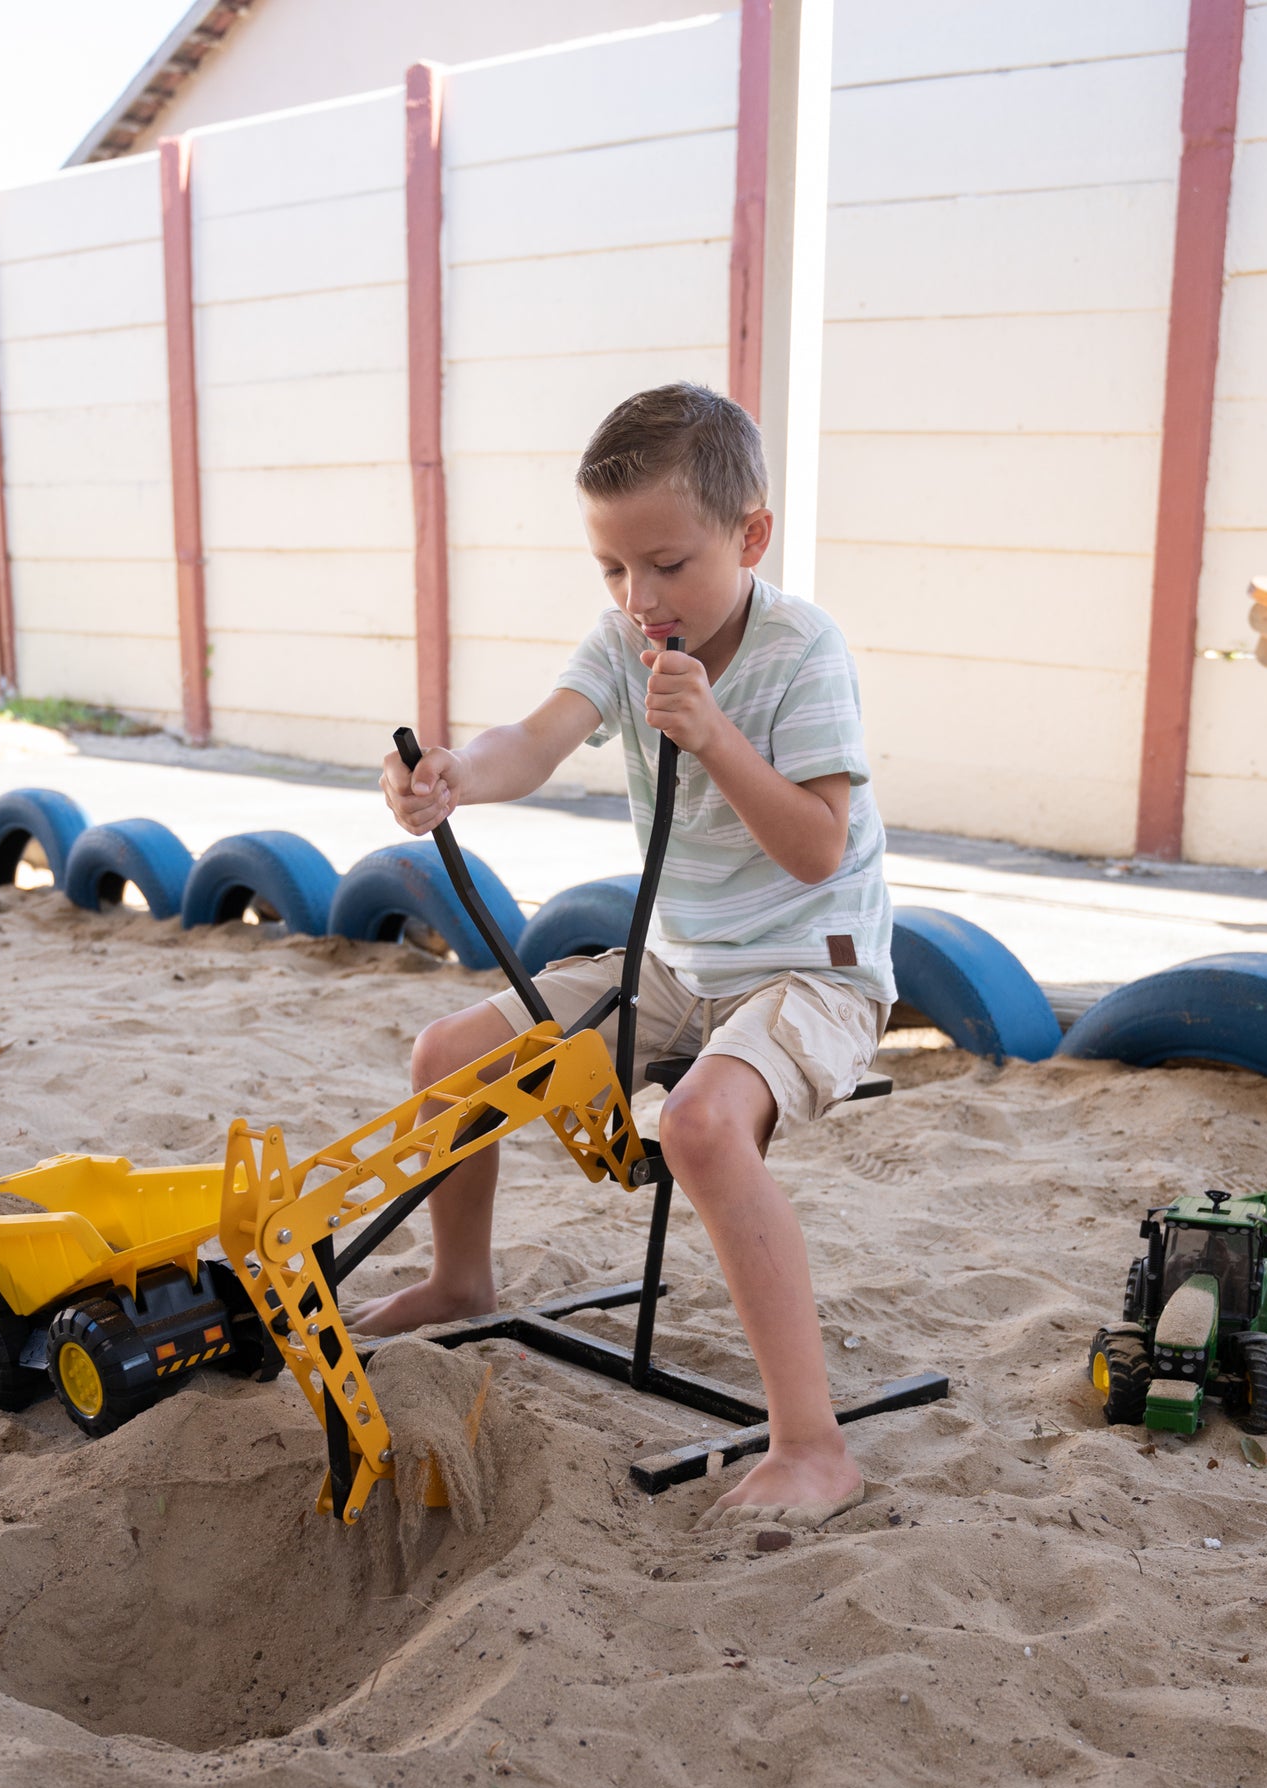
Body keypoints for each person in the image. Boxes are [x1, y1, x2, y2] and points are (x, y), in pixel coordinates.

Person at [361, 382, 895, 1528]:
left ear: (749, 536)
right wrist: (455, 769)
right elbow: (538, 739)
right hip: (682, 962)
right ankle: (463, 1277)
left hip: (817, 964)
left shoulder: (804, 652)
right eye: (612, 571)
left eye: (667, 564)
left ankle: (813, 1446)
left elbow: (815, 846)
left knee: (700, 1124)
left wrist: (715, 734)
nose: (639, 599)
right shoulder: (625, 639)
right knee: (448, 1050)